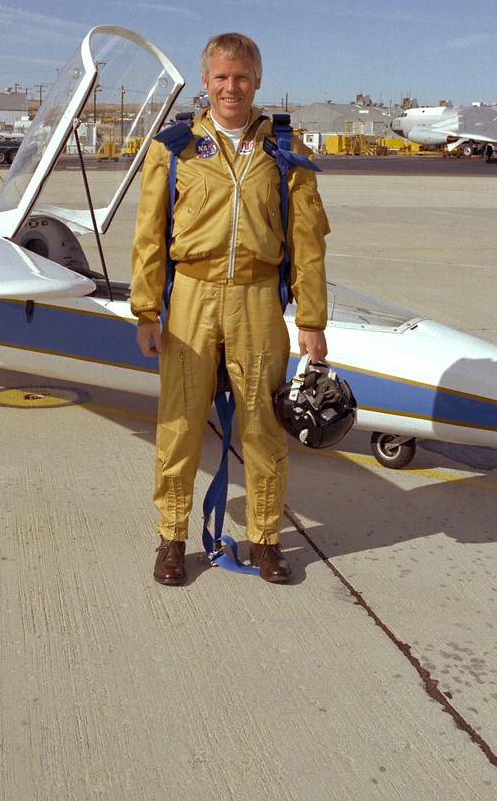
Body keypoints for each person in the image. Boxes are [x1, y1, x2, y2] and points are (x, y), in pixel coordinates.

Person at [131, 32, 330, 586]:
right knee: (180, 424)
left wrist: (311, 320)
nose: (231, 87)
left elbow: (308, 241)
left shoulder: (284, 153)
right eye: (220, 77)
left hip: (258, 299)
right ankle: (171, 537)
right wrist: (148, 310)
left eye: (241, 77)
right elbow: (149, 235)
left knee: (263, 426)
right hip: (191, 297)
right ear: (206, 82)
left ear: (257, 80)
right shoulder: (174, 149)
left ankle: (265, 537)